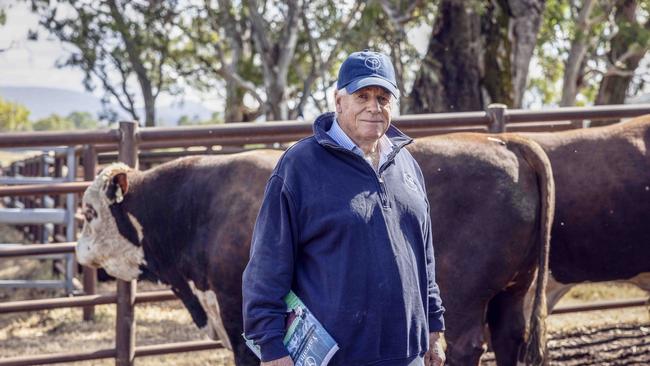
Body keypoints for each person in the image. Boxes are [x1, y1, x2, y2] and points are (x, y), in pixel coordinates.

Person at [242, 50, 445, 366]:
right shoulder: (299, 167)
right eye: (362, 95)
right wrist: (271, 348)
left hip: (408, 354)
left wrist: (433, 327)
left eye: (383, 97)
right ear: (339, 101)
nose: (373, 107)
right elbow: (267, 265)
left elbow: (424, 254)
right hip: (335, 357)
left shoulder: (406, 162)